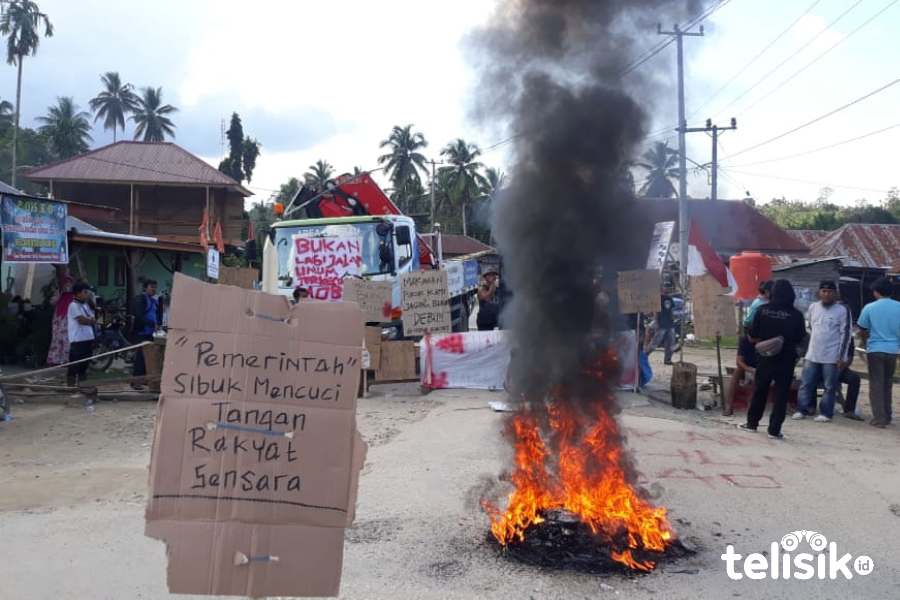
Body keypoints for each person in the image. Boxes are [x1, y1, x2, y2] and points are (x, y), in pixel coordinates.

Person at [740, 279, 807, 439]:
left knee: (760, 389)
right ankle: (774, 430)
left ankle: (752, 423)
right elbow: (800, 337)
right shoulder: (797, 315)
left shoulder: (763, 310)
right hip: (787, 358)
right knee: (781, 393)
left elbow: (753, 335)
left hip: (765, 356)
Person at [792, 280, 853, 423]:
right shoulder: (813, 307)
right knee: (806, 384)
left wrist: (842, 356)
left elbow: (846, 334)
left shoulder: (842, 310)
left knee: (829, 386)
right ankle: (802, 410)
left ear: (835, 293)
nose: (826, 294)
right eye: (824, 291)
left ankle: (826, 413)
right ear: (819, 292)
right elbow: (811, 328)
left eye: (830, 291)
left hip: (832, 356)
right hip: (812, 354)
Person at [857, 277, 900, 428]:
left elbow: (862, 328)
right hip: (893, 351)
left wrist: (865, 340)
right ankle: (887, 415)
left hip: (875, 349)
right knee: (887, 384)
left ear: (876, 292)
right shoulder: (898, 307)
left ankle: (879, 418)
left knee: (876, 385)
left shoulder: (869, 307)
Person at [66, 282, 96, 386]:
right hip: (77, 339)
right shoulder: (73, 305)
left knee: (84, 364)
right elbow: (82, 320)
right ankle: (71, 386)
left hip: (88, 338)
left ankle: (82, 386)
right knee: (74, 365)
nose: (87, 294)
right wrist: (91, 321)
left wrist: (91, 320)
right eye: (85, 292)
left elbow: (93, 318)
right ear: (78, 293)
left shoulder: (86, 305)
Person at [131, 279, 160, 383]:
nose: (154, 289)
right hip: (141, 333)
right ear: (145, 288)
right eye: (151, 287)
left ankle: (144, 380)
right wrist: (153, 324)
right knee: (140, 358)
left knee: (148, 358)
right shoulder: (141, 299)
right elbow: (139, 316)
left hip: (150, 333)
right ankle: (136, 382)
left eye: (155, 287)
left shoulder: (153, 300)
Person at [724, 333, 758, 416]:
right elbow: (739, 361)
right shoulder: (744, 340)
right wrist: (749, 369)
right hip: (747, 367)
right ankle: (728, 405)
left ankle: (751, 405)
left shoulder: (764, 341)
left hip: (759, 367)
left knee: (756, 378)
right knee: (737, 372)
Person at [836, 335, 862, 421]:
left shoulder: (848, 337)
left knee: (854, 378)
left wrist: (842, 367)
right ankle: (810, 405)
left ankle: (849, 410)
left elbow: (850, 357)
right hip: (823, 365)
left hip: (840, 367)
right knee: (813, 375)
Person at [646, 294, 676, 365]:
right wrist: (656, 322)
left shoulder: (669, 298)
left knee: (670, 343)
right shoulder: (658, 298)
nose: (668, 289)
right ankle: (645, 356)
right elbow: (655, 311)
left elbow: (671, 310)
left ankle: (668, 359)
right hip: (661, 323)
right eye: (666, 286)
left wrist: (673, 319)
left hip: (669, 323)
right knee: (655, 343)